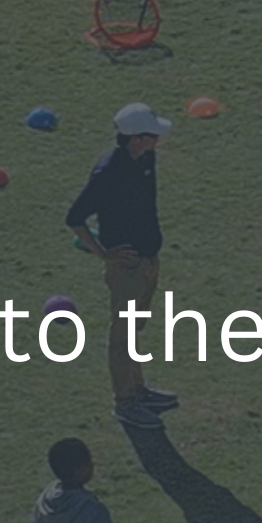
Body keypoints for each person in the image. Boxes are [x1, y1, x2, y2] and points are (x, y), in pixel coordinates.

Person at [66, 103, 179, 429]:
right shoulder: (108, 173)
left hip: (149, 259)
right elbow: (75, 218)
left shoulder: (146, 158)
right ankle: (125, 402)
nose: (158, 140)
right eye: (153, 135)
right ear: (136, 138)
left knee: (134, 330)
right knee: (122, 336)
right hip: (127, 268)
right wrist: (103, 254)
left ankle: (138, 389)